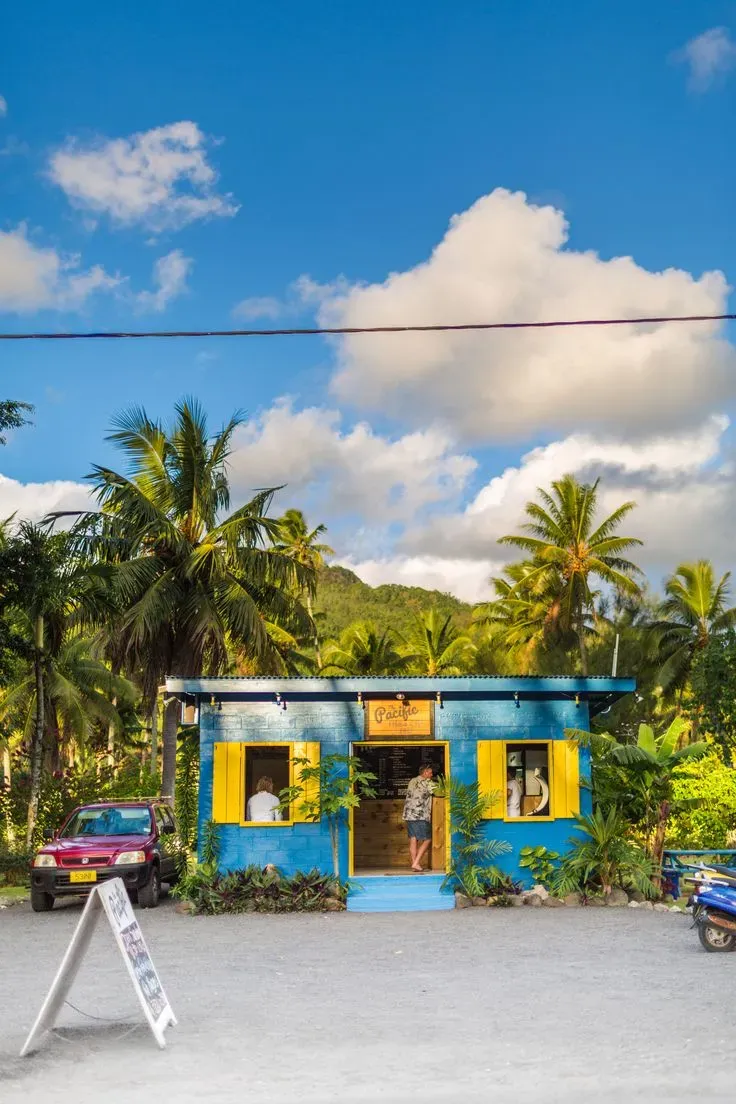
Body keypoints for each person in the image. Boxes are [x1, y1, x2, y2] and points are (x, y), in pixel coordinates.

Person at [402, 763, 436, 872]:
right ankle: (416, 863)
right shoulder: (428, 783)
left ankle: (414, 865)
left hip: (409, 814)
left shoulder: (412, 781)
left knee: (413, 839)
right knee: (427, 839)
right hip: (421, 814)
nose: (432, 775)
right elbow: (439, 792)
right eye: (430, 773)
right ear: (425, 772)